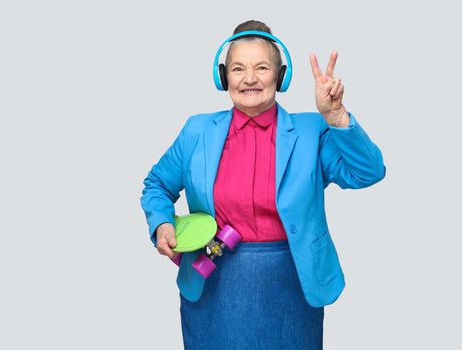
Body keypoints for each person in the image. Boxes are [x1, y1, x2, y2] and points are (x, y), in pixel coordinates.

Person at [140, 20, 386, 349]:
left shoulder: (311, 132)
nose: (250, 78)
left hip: (292, 283)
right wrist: (161, 224)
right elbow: (156, 184)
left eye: (262, 67)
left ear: (280, 76)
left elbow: (367, 172)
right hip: (212, 277)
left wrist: (337, 115)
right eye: (239, 68)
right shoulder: (196, 131)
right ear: (223, 76)